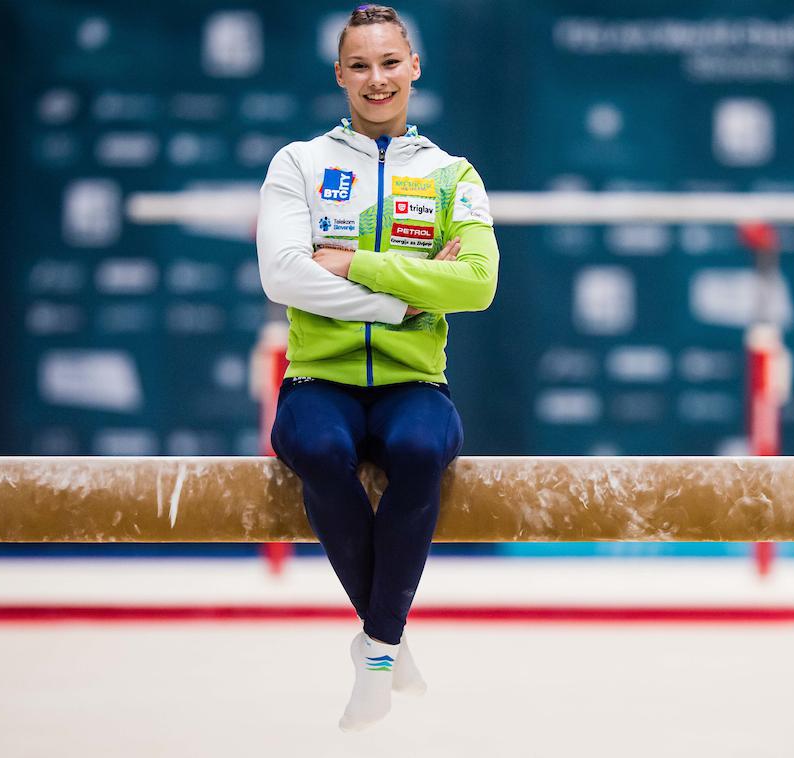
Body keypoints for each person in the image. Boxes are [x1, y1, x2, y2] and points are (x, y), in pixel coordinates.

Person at [255, 4, 499, 732]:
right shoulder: (299, 163)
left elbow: (479, 283)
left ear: (414, 66)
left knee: (423, 449)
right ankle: (388, 640)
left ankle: (377, 645)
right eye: (359, 65)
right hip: (318, 381)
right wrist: (405, 298)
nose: (377, 79)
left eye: (390, 62)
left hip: (412, 385)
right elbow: (284, 277)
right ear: (340, 75)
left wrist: (358, 263)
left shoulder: (452, 174)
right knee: (320, 449)